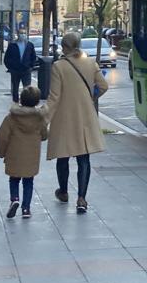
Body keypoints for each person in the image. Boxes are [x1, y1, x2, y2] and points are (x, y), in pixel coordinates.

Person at [45, 32, 108, 214]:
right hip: (85, 116)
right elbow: (103, 86)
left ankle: (63, 192)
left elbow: (54, 97)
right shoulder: (90, 63)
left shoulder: (58, 66)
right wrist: (90, 97)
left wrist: (43, 117)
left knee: (63, 155)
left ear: (64, 47)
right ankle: (82, 198)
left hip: (64, 117)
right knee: (83, 157)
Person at [0, 85, 48, 219]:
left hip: (14, 154)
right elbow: (44, 135)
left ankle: (14, 199)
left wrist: (1, 152)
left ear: (21, 99)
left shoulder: (11, 118)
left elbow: (2, 136)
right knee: (28, 182)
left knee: (14, 179)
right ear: (36, 102)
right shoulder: (39, 118)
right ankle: (26, 208)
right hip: (31, 156)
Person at [4, 29, 39, 104]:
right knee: (15, 88)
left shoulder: (29, 45)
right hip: (15, 70)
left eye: (24, 33)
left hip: (26, 70)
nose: (22, 35)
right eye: (21, 33)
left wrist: (31, 67)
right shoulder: (12, 45)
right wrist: (10, 68)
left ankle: (25, 102)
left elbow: (33, 57)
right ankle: (15, 101)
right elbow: (7, 58)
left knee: (27, 88)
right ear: (18, 34)